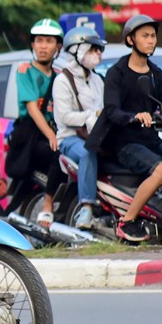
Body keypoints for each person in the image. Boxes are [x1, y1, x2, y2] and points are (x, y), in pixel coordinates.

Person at [87, 15, 162, 242]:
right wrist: (135, 116)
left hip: (151, 138)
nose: (150, 41)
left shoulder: (156, 73)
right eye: (145, 36)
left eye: (153, 36)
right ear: (130, 39)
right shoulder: (117, 73)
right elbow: (112, 110)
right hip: (125, 142)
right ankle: (127, 221)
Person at [4, 18, 66, 230]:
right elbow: (31, 108)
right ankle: (47, 205)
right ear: (32, 44)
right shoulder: (25, 70)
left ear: (58, 46)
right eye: (39, 41)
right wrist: (51, 136)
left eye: (49, 41)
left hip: (51, 131)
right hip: (31, 134)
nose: (43, 46)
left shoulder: (59, 76)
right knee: (59, 155)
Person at [52, 26, 106, 230]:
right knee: (87, 154)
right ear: (77, 51)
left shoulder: (97, 80)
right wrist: (91, 116)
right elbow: (65, 116)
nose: (97, 54)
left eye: (98, 50)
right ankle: (86, 208)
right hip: (70, 138)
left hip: (96, 135)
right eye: (92, 50)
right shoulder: (62, 81)